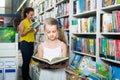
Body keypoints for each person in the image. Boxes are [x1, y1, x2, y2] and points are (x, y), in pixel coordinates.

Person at [19, 7, 39, 80]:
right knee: (26, 61)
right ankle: (25, 77)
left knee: (29, 60)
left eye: (33, 15)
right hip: (25, 44)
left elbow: (32, 34)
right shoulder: (23, 22)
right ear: (26, 14)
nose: (32, 16)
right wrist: (28, 30)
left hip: (31, 43)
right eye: (31, 15)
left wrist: (36, 30)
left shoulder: (31, 22)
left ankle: (27, 76)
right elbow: (22, 34)